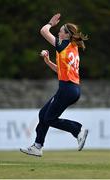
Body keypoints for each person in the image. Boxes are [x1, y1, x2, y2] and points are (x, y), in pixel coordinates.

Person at [20, 13, 88, 157]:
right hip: (71, 89)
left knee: (50, 118)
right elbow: (60, 70)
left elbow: (43, 31)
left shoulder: (64, 44)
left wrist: (50, 23)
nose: (59, 32)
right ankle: (37, 146)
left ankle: (78, 130)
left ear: (67, 35)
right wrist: (47, 61)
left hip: (67, 89)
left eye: (61, 30)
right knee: (43, 114)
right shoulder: (72, 48)